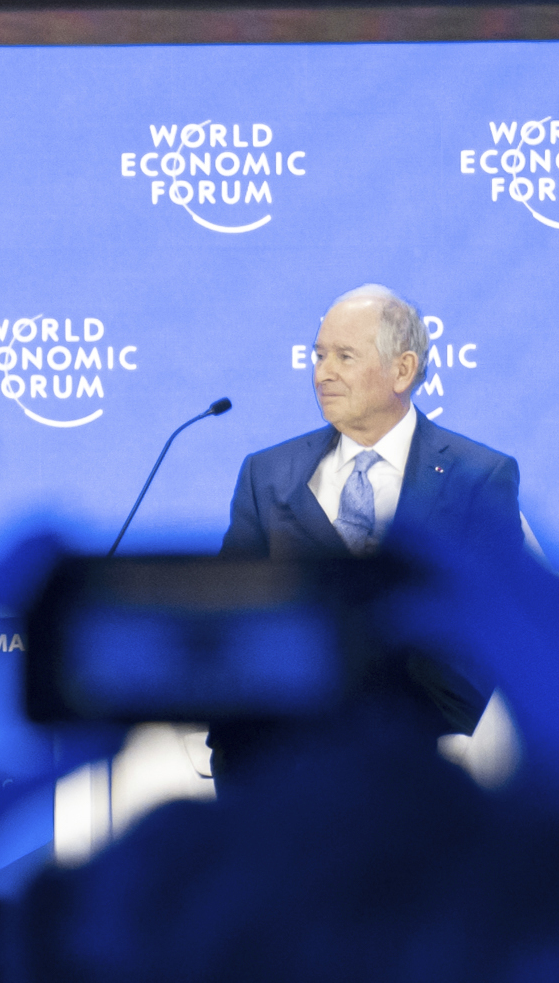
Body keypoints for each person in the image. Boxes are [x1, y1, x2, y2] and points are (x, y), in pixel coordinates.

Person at [222, 281, 531, 735]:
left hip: (426, 753)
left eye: (344, 357)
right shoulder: (267, 474)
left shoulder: (478, 477)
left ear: (402, 371)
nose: (322, 374)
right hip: (287, 752)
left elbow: (497, 627)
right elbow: (233, 612)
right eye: (319, 355)